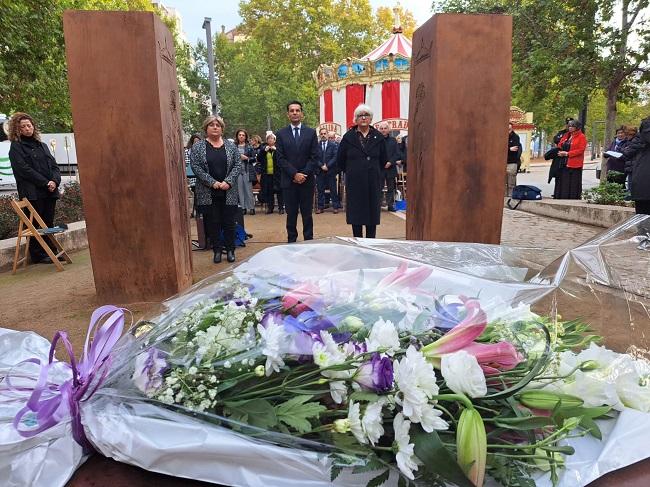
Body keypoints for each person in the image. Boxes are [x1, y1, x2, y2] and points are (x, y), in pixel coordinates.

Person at [8, 112, 61, 264]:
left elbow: (54, 166)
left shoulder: (42, 145)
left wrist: (54, 181)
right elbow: (24, 170)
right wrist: (45, 182)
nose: (27, 129)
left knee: (48, 222)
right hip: (32, 193)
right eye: (23, 126)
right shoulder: (16, 148)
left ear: (33, 127)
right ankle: (38, 255)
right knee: (36, 225)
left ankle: (51, 251)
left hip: (49, 191)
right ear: (17, 130)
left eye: (29, 125)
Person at [190, 116, 241, 264]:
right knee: (213, 222)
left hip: (228, 190)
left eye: (218, 125)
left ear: (222, 128)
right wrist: (213, 183)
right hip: (208, 191)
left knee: (229, 222)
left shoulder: (231, 146)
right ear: (206, 128)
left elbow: (237, 165)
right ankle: (217, 251)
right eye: (211, 125)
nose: (215, 127)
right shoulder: (198, 147)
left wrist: (228, 182)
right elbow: (196, 167)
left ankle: (230, 250)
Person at [336, 104, 387, 238]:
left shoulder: (379, 137)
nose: (363, 118)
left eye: (366, 115)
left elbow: (384, 160)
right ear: (356, 119)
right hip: (355, 182)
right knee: (356, 216)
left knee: (372, 217)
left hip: (373, 182)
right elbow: (340, 160)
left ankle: (371, 243)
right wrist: (354, 171)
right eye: (360, 115)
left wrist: (374, 172)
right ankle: (357, 244)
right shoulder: (348, 137)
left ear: (371, 119)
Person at [275, 100, 319, 243]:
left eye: (297, 110)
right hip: (289, 181)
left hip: (307, 181)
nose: (295, 113)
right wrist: (294, 174)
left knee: (307, 215)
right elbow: (280, 158)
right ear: (288, 114)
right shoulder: (281, 134)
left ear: (302, 114)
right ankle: (291, 242)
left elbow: (314, 157)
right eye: (292, 110)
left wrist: (303, 174)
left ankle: (309, 241)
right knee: (291, 215)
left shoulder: (311, 133)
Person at [620, 117, 650, 215]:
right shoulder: (645, 133)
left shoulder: (640, 138)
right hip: (644, 183)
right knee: (643, 217)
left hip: (642, 183)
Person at [553, 119, 587, 199]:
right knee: (564, 181)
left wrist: (568, 153)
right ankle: (563, 196)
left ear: (577, 127)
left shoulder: (581, 137)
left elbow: (581, 150)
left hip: (574, 163)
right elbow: (560, 144)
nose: (570, 128)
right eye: (569, 126)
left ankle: (573, 197)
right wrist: (561, 147)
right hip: (564, 162)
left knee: (573, 182)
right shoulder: (567, 135)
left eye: (573, 126)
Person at [257, 133, 284, 214]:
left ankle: (281, 208)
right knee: (269, 191)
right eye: (268, 139)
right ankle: (270, 208)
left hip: (277, 174)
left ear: (275, 140)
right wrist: (264, 151)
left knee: (279, 191)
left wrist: (276, 150)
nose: (270, 140)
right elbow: (259, 158)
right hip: (267, 174)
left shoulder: (278, 148)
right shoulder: (263, 148)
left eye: (272, 138)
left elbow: (282, 158)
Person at [316, 127, 340, 213]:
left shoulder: (333, 145)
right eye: (321, 134)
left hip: (330, 171)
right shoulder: (316, 146)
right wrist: (321, 165)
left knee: (333, 190)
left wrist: (328, 165)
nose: (323, 135)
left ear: (327, 134)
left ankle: (335, 207)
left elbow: (335, 157)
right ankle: (320, 207)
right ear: (320, 135)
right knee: (320, 190)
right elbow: (314, 157)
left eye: (324, 133)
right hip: (320, 171)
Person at [377, 121, 399, 211]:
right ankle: (378, 205)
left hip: (391, 168)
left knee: (391, 188)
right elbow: (375, 154)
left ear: (388, 130)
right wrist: (383, 163)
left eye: (385, 128)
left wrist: (390, 162)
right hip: (380, 168)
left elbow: (397, 154)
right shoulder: (376, 140)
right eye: (381, 129)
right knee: (379, 187)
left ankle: (390, 205)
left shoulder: (393, 140)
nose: (383, 130)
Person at [235, 129, 256, 215]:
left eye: (243, 135)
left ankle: (251, 207)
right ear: (237, 136)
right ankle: (243, 208)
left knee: (248, 190)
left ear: (245, 137)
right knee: (240, 190)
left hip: (247, 170)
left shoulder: (249, 146)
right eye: (239, 135)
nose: (241, 136)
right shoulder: (233, 146)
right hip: (237, 171)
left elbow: (254, 159)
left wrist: (246, 158)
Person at [506, 123, 522, 196]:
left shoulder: (515, 137)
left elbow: (515, 148)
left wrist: (507, 149)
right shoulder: (500, 136)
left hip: (512, 162)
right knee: (503, 182)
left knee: (511, 182)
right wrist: (509, 149)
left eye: (509, 129)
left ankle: (511, 196)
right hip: (503, 162)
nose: (508, 131)